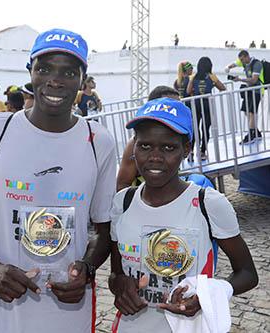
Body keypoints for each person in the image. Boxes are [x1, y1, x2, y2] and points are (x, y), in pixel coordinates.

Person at [0, 28, 117, 332]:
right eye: (44, 69)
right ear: (30, 72)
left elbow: (103, 230)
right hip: (6, 307)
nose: (55, 80)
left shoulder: (99, 141)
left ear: (83, 80)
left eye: (68, 72)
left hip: (70, 308)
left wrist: (87, 268)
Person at [108, 97, 258, 332]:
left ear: (186, 149)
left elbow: (248, 273)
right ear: (133, 147)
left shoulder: (208, 203)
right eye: (145, 146)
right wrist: (121, 286)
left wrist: (206, 298)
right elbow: (116, 275)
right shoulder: (123, 202)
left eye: (168, 147)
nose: (155, 157)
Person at [116, 86, 180, 191]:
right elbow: (122, 185)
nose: (176, 110)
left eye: (179, 105)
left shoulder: (178, 139)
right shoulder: (135, 144)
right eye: (169, 105)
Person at [186, 57, 226, 161]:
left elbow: (188, 90)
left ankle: (191, 151)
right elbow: (222, 88)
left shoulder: (194, 76)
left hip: (195, 105)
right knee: (205, 129)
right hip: (207, 105)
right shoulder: (211, 76)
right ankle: (202, 152)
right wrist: (214, 82)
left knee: (195, 129)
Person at [225, 50, 263, 144]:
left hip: (257, 91)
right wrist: (228, 67)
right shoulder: (244, 63)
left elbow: (254, 80)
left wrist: (240, 79)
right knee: (246, 111)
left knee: (251, 113)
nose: (241, 62)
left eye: (242, 59)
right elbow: (235, 63)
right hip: (249, 90)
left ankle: (251, 135)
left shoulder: (256, 64)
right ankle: (256, 132)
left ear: (247, 56)